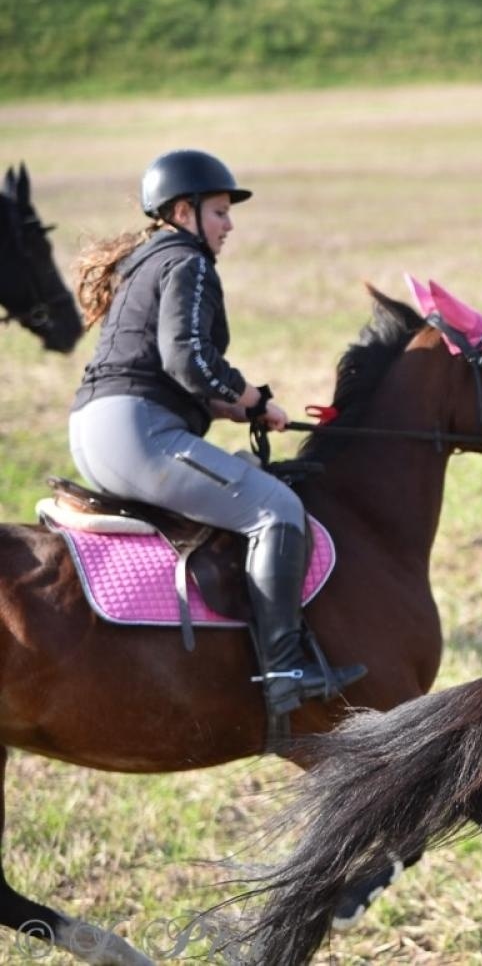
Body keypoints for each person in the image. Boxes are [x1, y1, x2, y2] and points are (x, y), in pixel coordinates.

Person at [68, 149, 365, 717]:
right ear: (185, 210)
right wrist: (251, 397)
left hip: (97, 429)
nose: (229, 225)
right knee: (277, 509)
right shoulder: (189, 261)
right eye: (221, 211)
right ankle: (284, 670)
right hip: (138, 431)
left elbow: (178, 373)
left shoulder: (146, 262)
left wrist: (246, 408)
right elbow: (189, 360)